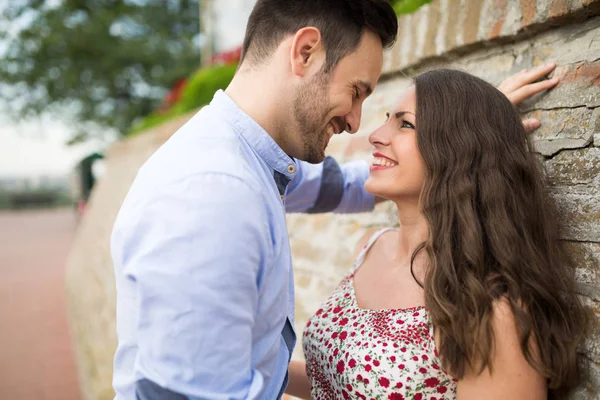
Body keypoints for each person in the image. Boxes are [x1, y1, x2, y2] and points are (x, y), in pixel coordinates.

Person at [110, 0, 560, 398]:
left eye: (400, 122)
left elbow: (343, 185)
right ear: (306, 52)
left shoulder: (251, 162)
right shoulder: (213, 192)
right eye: (358, 91)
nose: (358, 123)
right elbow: (193, 394)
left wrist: (466, 130)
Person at [286, 69, 587, 400]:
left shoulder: (492, 312)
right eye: (388, 119)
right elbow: (338, 383)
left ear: (460, 148)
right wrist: (244, 374)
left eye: (405, 124)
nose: (374, 135)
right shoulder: (372, 248)